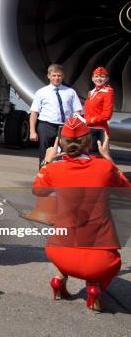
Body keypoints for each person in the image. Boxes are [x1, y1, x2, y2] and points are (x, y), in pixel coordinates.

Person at [32, 117, 129, 311]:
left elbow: (38, 190)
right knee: (106, 261)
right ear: (90, 143)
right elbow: (126, 189)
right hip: (100, 261)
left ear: (60, 143)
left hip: (59, 253)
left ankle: (59, 278)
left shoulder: (53, 169)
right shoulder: (104, 167)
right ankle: (94, 287)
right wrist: (108, 157)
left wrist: (47, 161)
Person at [30, 64, 82, 167]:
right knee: (45, 154)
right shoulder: (41, 92)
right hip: (46, 125)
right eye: (54, 75)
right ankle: (44, 176)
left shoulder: (70, 92)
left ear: (63, 76)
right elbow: (34, 113)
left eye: (59, 75)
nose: (56, 78)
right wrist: (32, 131)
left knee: (66, 153)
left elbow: (77, 111)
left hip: (65, 126)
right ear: (48, 76)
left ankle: (61, 177)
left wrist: (75, 128)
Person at [84, 66, 114, 138]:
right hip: (87, 128)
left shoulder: (108, 92)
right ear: (92, 79)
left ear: (107, 79)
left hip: (99, 129)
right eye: (96, 76)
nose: (99, 79)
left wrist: (90, 120)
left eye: (102, 77)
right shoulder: (90, 92)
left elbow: (107, 115)